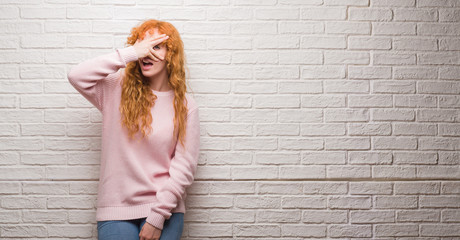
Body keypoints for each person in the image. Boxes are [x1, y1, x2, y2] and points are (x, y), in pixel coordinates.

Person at [66, 19, 200, 240]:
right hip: (116, 211)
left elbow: (184, 168)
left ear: (171, 54)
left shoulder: (186, 106)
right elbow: (77, 75)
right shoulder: (115, 89)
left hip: (164, 212)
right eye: (142, 45)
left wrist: (157, 218)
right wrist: (129, 53)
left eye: (156, 46)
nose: (147, 52)